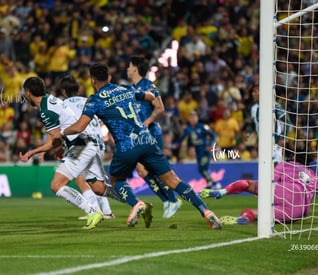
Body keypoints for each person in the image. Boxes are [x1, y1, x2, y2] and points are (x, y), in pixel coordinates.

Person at [61, 63, 222, 230]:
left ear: (92, 80)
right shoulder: (125, 89)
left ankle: (136, 203)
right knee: (173, 180)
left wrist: (63, 132)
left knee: (116, 181)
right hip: (147, 140)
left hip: (126, 145)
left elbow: (79, 126)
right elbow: (150, 96)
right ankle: (206, 212)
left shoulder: (95, 100)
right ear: (109, 77)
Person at [19, 76, 122, 230]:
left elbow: (55, 140)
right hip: (88, 143)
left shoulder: (46, 111)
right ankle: (131, 200)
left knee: (56, 185)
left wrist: (33, 152)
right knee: (99, 188)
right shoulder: (50, 100)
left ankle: (92, 211)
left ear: (28, 93)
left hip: (80, 146)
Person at [200, 143, 318, 225]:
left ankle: (223, 192)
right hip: (299, 211)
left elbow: (270, 180)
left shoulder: (285, 165)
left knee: (248, 184)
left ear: (293, 156)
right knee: (258, 213)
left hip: (284, 192)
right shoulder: (314, 176)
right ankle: (247, 217)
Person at [127, 55, 181, 219]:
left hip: (151, 133)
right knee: (142, 170)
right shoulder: (131, 89)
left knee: (157, 169)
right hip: (138, 136)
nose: (127, 69)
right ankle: (166, 200)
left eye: (129, 66)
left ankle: (172, 199)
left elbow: (160, 108)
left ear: (135, 68)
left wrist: (146, 122)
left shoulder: (149, 86)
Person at [58, 75, 115, 220]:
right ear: (78, 89)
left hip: (82, 144)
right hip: (98, 143)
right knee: (96, 181)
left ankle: (95, 211)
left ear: (63, 91)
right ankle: (107, 211)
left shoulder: (62, 105)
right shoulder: (88, 101)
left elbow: (64, 129)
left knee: (80, 178)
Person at [178, 110, 221, 189]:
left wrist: (210, 145)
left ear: (197, 118)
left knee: (202, 167)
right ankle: (210, 183)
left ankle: (214, 183)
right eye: (191, 117)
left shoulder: (203, 126)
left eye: (194, 117)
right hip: (197, 152)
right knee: (201, 169)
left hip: (205, 150)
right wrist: (177, 145)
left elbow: (213, 136)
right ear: (189, 119)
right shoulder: (187, 129)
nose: (193, 119)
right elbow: (182, 139)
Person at [250, 85, 290, 163]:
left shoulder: (275, 105)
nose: (253, 94)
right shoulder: (255, 108)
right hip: (262, 143)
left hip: (275, 142)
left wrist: (282, 137)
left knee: (275, 168)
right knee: (264, 169)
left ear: (262, 93)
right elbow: (255, 125)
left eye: (255, 91)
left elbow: (287, 122)